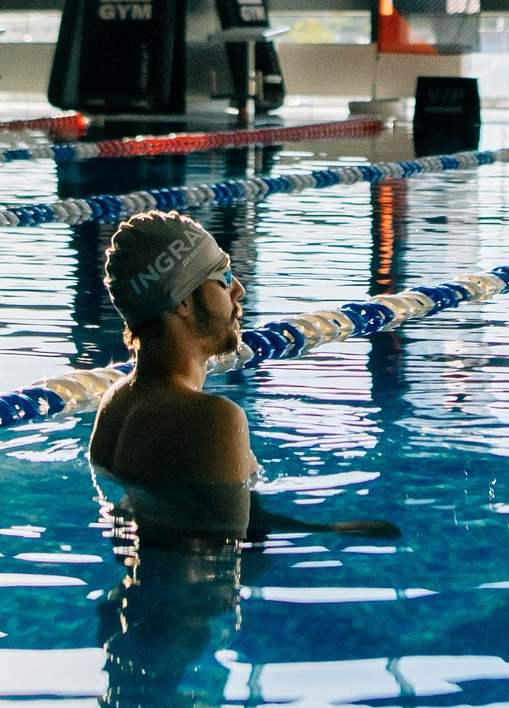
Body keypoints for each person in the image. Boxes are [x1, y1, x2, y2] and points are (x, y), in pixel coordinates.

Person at [88, 210, 397, 542]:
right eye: (223, 276)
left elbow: (174, 523)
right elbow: (227, 557)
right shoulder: (212, 419)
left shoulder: (116, 403)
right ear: (182, 302)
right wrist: (328, 537)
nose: (238, 289)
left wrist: (324, 529)